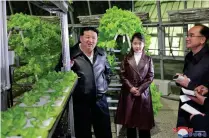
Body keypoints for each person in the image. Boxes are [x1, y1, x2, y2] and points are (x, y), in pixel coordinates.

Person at [55, 27, 112, 138]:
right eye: (87, 37)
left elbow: (108, 72)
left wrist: (103, 84)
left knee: (104, 133)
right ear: (81, 38)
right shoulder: (70, 54)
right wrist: (65, 67)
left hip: (100, 102)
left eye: (93, 38)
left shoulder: (101, 53)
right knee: (82, 133)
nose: (90, 40)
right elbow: (58, 73)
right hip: (81, 104)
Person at [115, 32, 154, 138]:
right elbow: (122, 75)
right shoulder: (126, 58)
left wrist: (140, 89)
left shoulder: (148, 59)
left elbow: (150, 77)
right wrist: (131, 88)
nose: (137, 46)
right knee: (130, 124)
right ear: (131, 44)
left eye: (140, 43)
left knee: (144, 125)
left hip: (143, 94)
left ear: (144, 44)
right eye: (135, 43)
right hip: (129, 93)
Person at [175, 24, 209, 127]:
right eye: (187, 35)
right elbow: (187, 78)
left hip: (201, 110)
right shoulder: (189, 56)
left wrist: (189, 84)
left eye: (191, 35)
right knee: (184, 132)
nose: (187, 38)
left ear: (202, 39)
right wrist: (181, 79)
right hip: (185, 105)